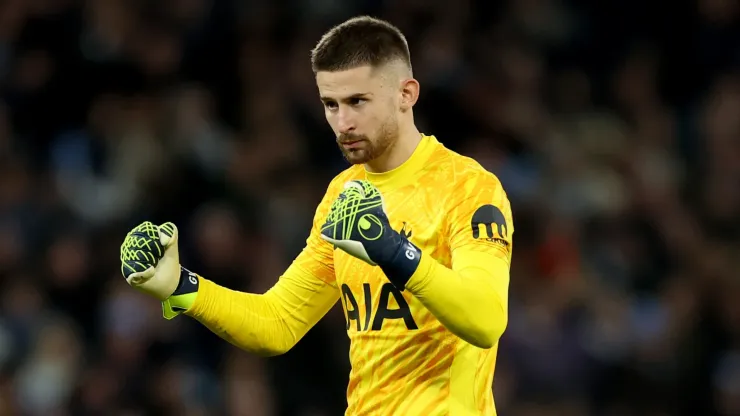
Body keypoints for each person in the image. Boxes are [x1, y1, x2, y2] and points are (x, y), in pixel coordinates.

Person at [120, 16, 514, 416]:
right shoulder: (343, 194)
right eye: (331, 104)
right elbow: (278, 323)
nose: (343, 123)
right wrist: (180, 286)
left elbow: (485, 320)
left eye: (358, 101)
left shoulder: (468, 188)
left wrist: (394, 251)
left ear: (406, 94)